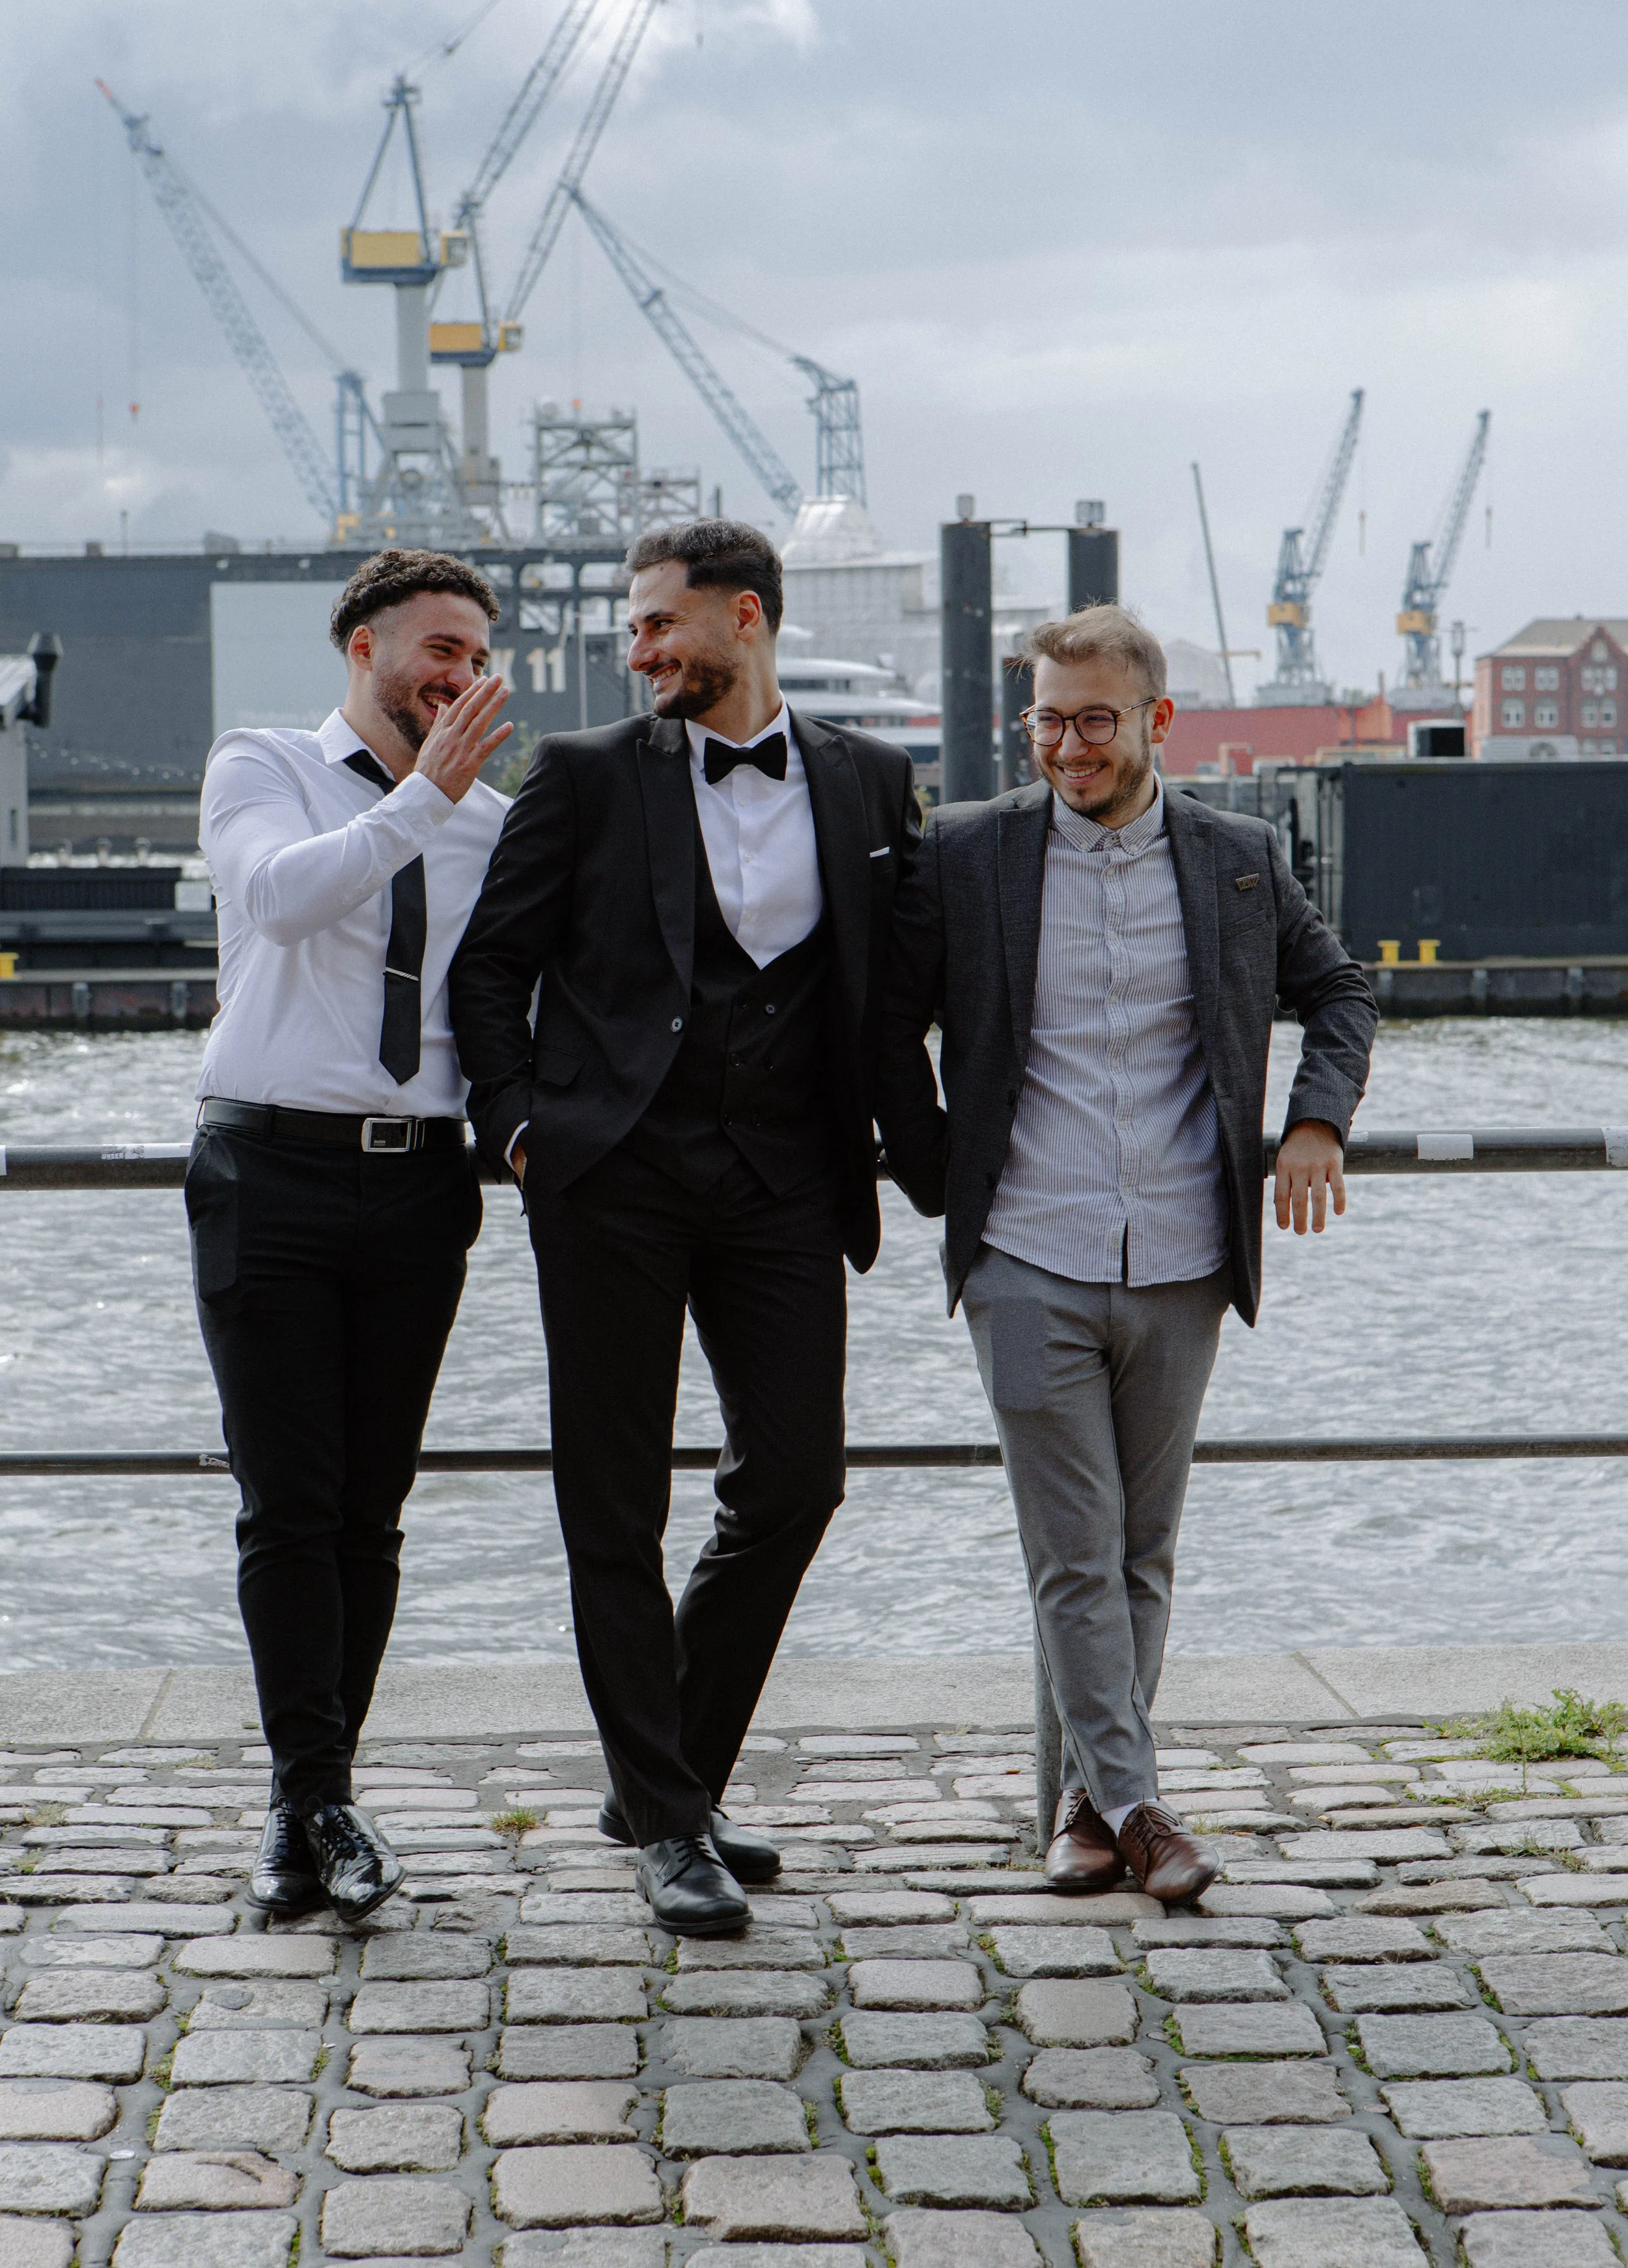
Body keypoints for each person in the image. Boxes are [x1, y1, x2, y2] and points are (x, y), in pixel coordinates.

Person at [449, 518, 921, 1933]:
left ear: (748, 619)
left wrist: (948, 1163)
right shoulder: (586, 776)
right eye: (633, 632)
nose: (640, 650)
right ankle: (666, 1818)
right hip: (610, 1179)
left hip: (785, 1181)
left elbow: (893, 996)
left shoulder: (870, 779)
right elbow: (492, 969)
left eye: (663, 624)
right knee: (613, 1501)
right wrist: (519, 1130)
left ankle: (667, 1776)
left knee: (794, 1482)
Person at [878, 605, 1375, 1902]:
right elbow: (884, 1026)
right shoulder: (968, 852)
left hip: (1180, 1258)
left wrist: (1314, 1120)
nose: (1067, 745)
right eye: (1046, 718)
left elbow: (1339, 991)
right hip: (1023, 1254)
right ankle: (1144, 1810)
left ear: (1157, 721)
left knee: (1138, 1550)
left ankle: (1078, 1810)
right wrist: (943, 1186)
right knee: (1071, 1549)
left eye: (1094, 719)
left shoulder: (1236, 859)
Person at [188, 548, 513, 1925]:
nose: (458, 674)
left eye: (476, 655)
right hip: (268, 1170)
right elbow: (281, 897)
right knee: (287, 1503)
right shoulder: (260, 765)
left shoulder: (491, 822)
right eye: (436, 647)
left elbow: (511, 1007)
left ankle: (321, 1792)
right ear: (363, 648)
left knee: (371, 1510)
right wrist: (420, 800)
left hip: (419, 1183)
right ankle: (301, 1802)